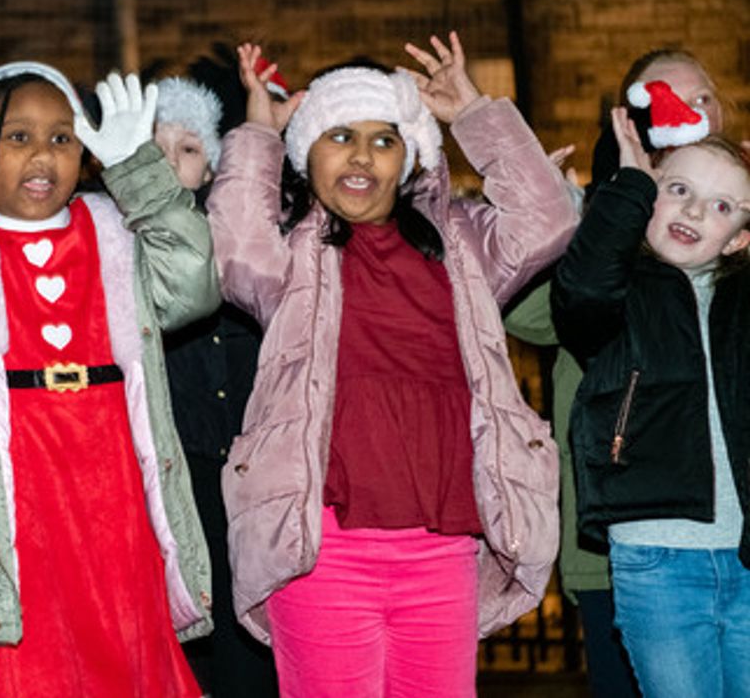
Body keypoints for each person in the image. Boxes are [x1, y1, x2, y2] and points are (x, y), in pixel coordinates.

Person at [208, 34, 572, 697]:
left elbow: (546, 217)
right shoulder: (293, 261)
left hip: (443, 549)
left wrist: (472, 112)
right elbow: (234, 245)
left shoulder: (461, 246)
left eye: (384, 139)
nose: (361, 154)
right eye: (339, 134)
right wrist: (259, 131)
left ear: (410, 156)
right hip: (320, 549)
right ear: (307, 152)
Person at [0, 55, 216, 697]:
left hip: (112, 491)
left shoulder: (115, 233)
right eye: (17, 137)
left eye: (62, 137)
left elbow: (192, 283)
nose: (43, 156)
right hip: (8, 486)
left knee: (118, 652)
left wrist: (140, 173)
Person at [504, 46, 732, 698]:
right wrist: (548, 228)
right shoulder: (599, 221)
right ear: (629, 125)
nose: (683, 112)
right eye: (660, 98)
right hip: (626, 549)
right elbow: (533, 314)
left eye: (699, 97)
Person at [555, 100, 750, 698]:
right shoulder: (620, 296)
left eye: (721, 206)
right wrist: (629, 188)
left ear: (740, 238)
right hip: (656, 559)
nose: (694, 210)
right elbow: (581, 288)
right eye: (678, 189)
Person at [153, 76, 277, 696]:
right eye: (157, 149)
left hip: (249, 471)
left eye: (189, 150)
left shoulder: (243, 238)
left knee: (247, 646)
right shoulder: (119, 244)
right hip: (172, 471)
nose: (172, 164)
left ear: (211, 168)